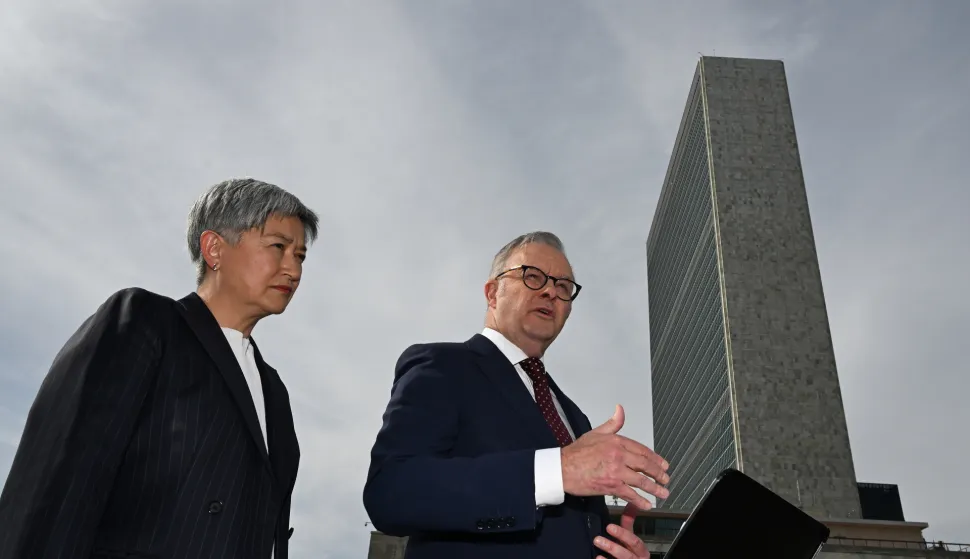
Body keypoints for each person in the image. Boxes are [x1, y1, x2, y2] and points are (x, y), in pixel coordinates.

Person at [0, 178, 318, 559]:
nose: (293, 270)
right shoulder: (144, 324)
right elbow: (54, 488)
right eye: (279, 247)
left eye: (299, 255)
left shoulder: (274, 391)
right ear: (215, 248)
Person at [363, 231, 671, 559]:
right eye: (533, 277)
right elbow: (392, 491)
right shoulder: (443, 365)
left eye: (564, 287)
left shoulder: (575, 417)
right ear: (493, 293)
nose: (551, 291)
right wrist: (558, 469)